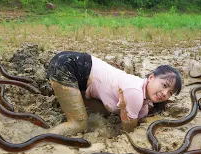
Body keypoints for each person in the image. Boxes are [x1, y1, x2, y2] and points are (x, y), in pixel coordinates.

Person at [46, 51, 182, 135]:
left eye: (170, 92)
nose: (165, 93)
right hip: (68, 66)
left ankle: (76, 97)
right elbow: (128, 130)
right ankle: (40, 138)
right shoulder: (135, 92)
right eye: (164, 85)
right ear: (151, 77)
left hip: (76, 66)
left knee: (105, 111)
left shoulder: (143, 101)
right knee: (79, 124)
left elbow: (139, 116)